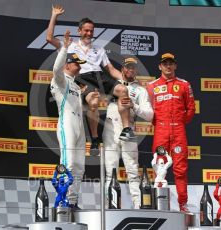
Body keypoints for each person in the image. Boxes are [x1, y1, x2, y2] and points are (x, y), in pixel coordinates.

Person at [46, 5, 135, 153]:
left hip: (99, 75)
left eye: (91, 31)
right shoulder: (70, 45)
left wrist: (128, 82)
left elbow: (111, 70)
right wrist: (54, 15)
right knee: (93, 102)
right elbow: (49, 38)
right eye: (86, 30)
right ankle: (94, 139)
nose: (89, 33)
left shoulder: (99, 49)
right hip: (82, 77)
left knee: (123, 90)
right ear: (79, 31)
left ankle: (126, 130)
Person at [146, 53, 195, 212]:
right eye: (164, 63)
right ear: (160, 66)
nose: (168, 66)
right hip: (161, 130)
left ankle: (183, 204)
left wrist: (178, 123)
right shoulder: (152, 86)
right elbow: (148, 112)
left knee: (180, 169)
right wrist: (162, 124)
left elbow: (191, 109)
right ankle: (159, 205)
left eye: (170, 63)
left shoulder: (184, 84)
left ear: (175, 66)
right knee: (159, 167)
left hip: (178, 130)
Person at [51, 30, 95, 208]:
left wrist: (88, 100)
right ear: (68, 65)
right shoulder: (60, 80)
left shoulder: (76, 86)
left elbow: (79, 106)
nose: (79, 66)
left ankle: (73, 201)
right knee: (68, 162)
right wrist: (65, 48)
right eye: (77, 63)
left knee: (79, 166)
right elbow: (56, 69)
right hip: (67, 123)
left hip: (79, 125)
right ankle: (62, 200)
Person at [103, 57, 153, 209]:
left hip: (129, 129)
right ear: (123, 69)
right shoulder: (113, 84)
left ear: (136, 70)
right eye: (128, 67)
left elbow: (150, 115)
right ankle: (109, 206)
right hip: (110, 127)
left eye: (133, 67)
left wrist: (134, 106)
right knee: (110, 170)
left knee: (132, 169)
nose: (131, 70)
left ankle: (138, 205)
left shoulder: (140, 90)